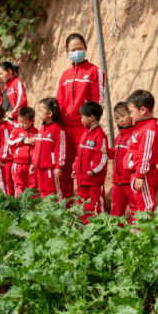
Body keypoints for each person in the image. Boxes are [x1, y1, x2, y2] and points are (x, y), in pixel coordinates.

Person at [56, 33, 106, 198]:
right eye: (72, 49)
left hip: (84, 128)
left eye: (79, 48)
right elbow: (60, 102)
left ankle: (94, 209)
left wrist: (91, 124)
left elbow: (98, 101)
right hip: (65, 127)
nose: (76, 52)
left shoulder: (94, 71)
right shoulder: (65, 75)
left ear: (85, 48)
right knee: (64, 169)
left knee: (86, 168)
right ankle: (68, 208)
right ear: (67, 51)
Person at [125, 89, 158, 219]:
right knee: (140, 207)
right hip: (137, 174)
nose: (130, 116)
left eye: (131, 112)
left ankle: (148, 236)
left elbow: (145, 154)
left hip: (144, 176)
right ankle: (139, 234)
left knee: (146, 208)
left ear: (143, 110)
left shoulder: (149, 128)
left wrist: (140, 175)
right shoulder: (141, 127)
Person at [74, 101, 109, 218]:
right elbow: (79, 155)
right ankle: (85, 225)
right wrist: (75, 169)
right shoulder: (85, 135)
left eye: (83, 117)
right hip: (82, 178)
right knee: (83, 204)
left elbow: (103, 157)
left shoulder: (101, 136)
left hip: (93, 179)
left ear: (92, 118)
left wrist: (93, 170)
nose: (81, 120)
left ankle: (100, 226)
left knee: (96, 204)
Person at [31, 97, 66, 199]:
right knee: (42, 192)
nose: (39, 113)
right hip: (40, 168)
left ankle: (58, 214)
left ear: (50, 114)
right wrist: (34, 163)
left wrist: (59, 167)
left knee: (53, 193)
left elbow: (61, 149)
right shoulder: (41, 129)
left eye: (41, 111)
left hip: (51, 169)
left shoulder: (58, 130)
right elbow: (37, 149)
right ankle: (46, 213)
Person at [109, 102, 135, 221]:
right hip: (117, 182)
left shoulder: (135, 134)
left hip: (130, 182)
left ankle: (135, 236)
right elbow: (116, 153)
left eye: (123, 115)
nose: (121, 120)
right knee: (115, 212)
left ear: (131, 114)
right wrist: (107, 152)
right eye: (118, 118)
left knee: (135, 211)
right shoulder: (119, 136)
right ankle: (116, 236)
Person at [9, 107, 37, 197]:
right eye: (19, 122)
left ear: (32, 121)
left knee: (33, 187)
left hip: (32, 165)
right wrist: (22, 140)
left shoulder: (36, 132)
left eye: (24, 123)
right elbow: (10, 142)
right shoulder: (16, 131)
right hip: (18, 164)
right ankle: (20, 207)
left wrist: (36, 141)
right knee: (20, 187)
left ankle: (33, 207)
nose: (21, 125)